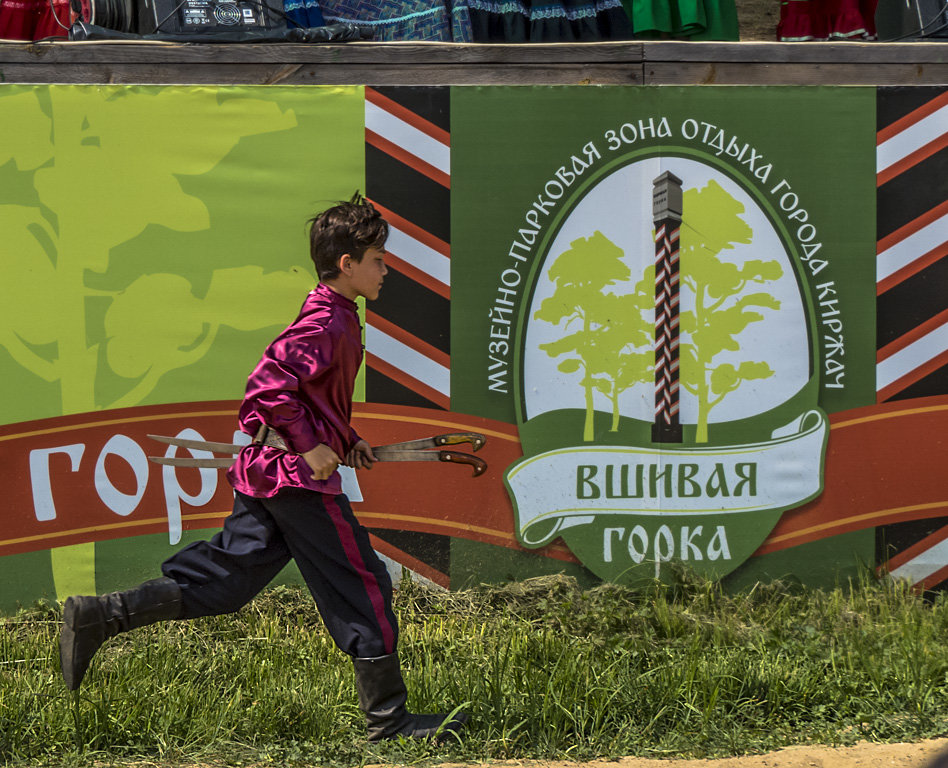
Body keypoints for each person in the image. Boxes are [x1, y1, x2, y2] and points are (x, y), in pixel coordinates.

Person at [58, 194, 467, 743]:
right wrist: (306, 447)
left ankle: (101, 615)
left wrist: (344, 440)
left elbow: (309, 395)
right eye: (377, 259)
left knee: (226, 582)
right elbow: (268, 386)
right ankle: (389, 721)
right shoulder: (325, 321)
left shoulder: (336, 314)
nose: (385, 269)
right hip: (295, 479)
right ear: (347, 264)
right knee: (362, 581)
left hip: (272, 471)